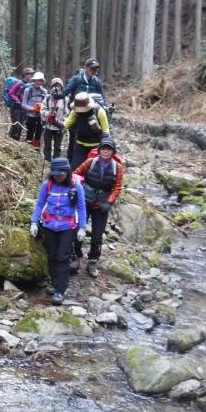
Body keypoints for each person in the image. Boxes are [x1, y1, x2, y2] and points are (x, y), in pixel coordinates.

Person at [30, 158, 87, 305]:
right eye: (55, 174)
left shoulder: (76, 186)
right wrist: (34, 222)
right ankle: (55, 283)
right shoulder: (47, 185)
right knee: (52, 255)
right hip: (49, 225)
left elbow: (81, 207)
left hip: (67, 226)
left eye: (60, 174)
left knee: (63, 257)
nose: (58, 177)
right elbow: (40, 204)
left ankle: (60, 290)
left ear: (67, 172)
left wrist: (82, 227)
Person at [72, 137, 124, 277]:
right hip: (85, 201)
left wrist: (109, 201)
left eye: (109, 149)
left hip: (102, 204)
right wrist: (78, 190)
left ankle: (93, 261)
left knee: (97, 236)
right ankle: (76, 256)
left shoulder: (117, 167)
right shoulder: (91, 162)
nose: (105, 151)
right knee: (79, 228)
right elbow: (76, 174)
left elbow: (117, 187)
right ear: (99, 150)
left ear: (113, 151)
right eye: (103, 148)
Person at [64, 92, 110, 171]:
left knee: (94, 171)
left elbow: (105, 131)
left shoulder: (99, 111)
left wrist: (104, 148)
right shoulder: (75, 111)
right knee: (75, 170)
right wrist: (55, 122)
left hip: (96, 146)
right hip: (80, 145)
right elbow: (66, 124)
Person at [41, 77, 67, 160]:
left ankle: (56, 161)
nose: (56, 87)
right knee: (47, 145)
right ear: (51, 86)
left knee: (57, 146)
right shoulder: (47, 98)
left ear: (61, 87)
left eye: (58, 85)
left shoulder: (65, 99)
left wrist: (63, 123)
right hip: (48, 125)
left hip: (59, 126)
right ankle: (47, 160)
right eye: (54, 85)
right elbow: (42, 109)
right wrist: (48, 114)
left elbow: (67, 113)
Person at [7, 67, 35, 140]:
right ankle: (12, 139)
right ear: (25, 75)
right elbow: (11, 93)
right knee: (16, 124)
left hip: (23, 108)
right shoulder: (19, 83)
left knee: (21, 125)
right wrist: (17, 101)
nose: (31, 76)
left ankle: (16, 140)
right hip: (16, 107)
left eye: (31, 74)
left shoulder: (29, 84)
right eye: (29, 74)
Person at [21, 72, 47, 149]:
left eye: (40, 80)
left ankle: (36, 149)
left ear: (42, 81)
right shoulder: (28, 90)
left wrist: (41, 108)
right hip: (30, 115)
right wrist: (33, 109)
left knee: (39, 133)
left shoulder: (44, 91)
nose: (38, 82)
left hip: (40, 116)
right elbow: (23, 104)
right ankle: (28, 149)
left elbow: (46, 104)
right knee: (30, 132)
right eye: (36, 80)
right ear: (34, 80)